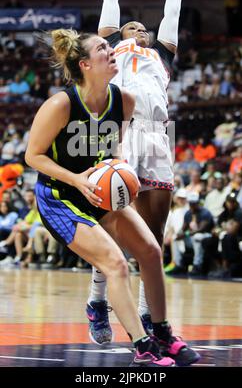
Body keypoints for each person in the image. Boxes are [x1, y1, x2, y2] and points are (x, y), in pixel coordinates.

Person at [25, 28, 182, 367]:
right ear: (84, 64)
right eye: (102, 48)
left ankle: (162, 332)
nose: (112, 51)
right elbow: (33, 156)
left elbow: (117, 146)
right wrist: (76, 179)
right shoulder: (61, 104)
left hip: (97, 191)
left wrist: (122, 168)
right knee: (116, 263)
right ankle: (142, 345)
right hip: (60, 197)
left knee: (152, 251)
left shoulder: (124, 99)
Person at [87, 0, 199, 365]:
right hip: (124, 135)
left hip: (158, 140)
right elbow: (109, 14)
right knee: (115, 226)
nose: (139, 29)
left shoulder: (161, 57)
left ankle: (152, 321)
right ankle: (97, 300)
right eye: (130, 26)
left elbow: (171, 17)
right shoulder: (114, 51)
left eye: (142, 27)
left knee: (153, 236)